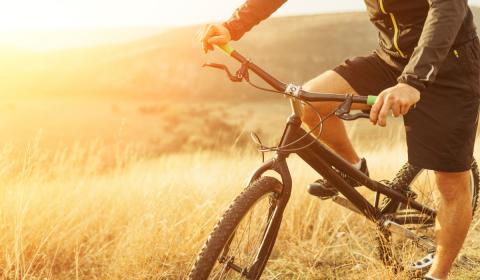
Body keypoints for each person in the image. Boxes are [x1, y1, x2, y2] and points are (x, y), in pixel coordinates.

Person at [200, 1, 480, 279]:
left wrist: (412, 81)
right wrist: (232, 27)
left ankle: (437, 275)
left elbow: (448, 6)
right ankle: (354, 168)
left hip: (449, 65)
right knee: (308, 102)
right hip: (391, 59)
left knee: (451, 181)